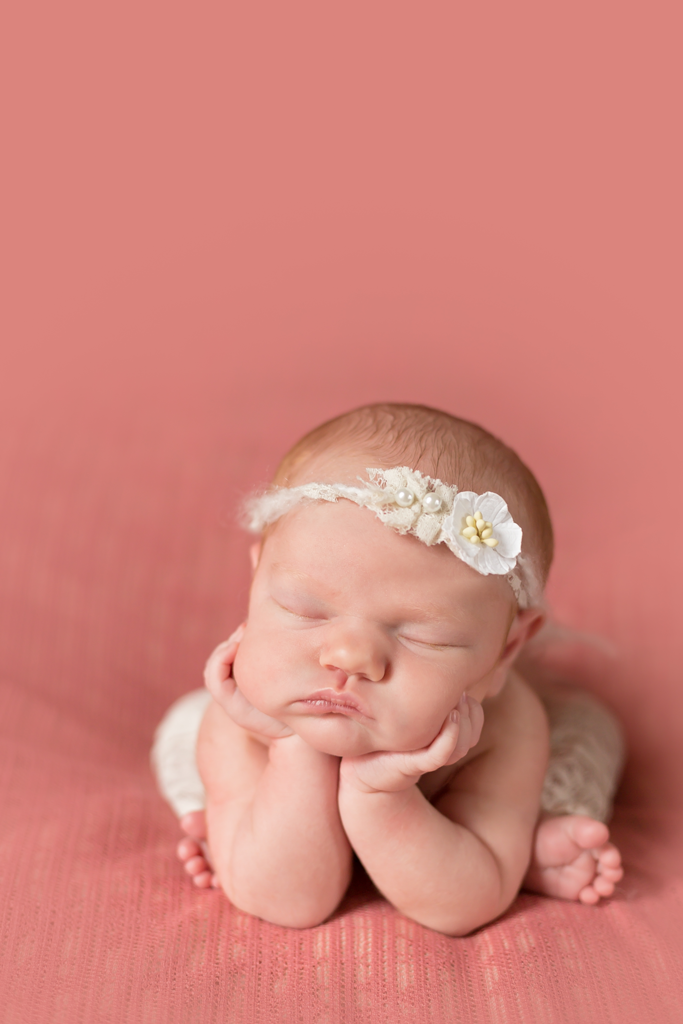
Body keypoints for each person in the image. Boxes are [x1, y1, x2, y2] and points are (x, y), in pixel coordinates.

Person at [152, 403, 624, 934]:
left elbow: (465, 905)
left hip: (448, 803)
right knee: (184, 727)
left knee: (587, 732)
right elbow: (289, 903)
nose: (350, 658)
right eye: (304, 609)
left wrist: (382, 795)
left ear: (506, 650)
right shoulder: (240, 721)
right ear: (257, 579)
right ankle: (233, 826)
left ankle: (517, 840)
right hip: (265, 772)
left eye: (423, 636)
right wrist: (290, 750)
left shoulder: (506, 727)